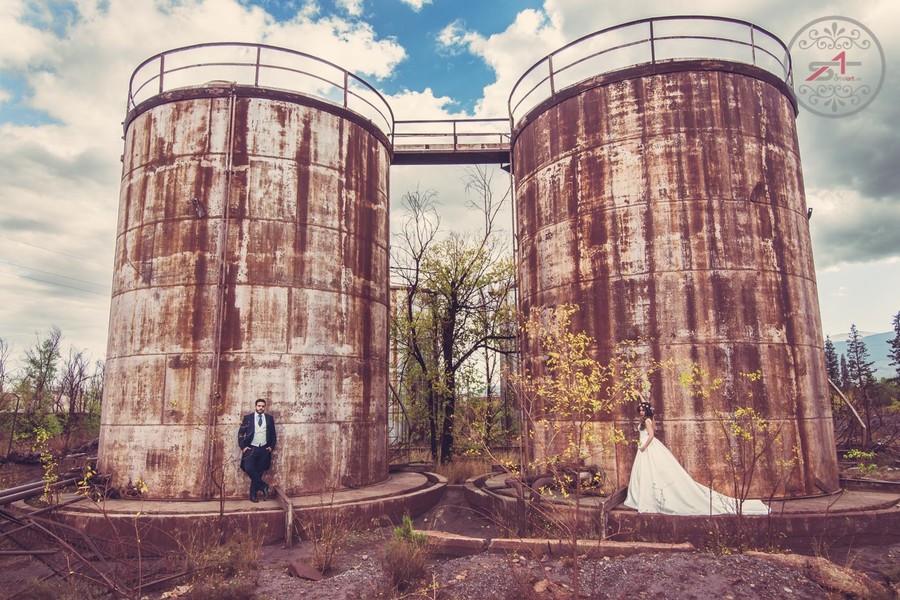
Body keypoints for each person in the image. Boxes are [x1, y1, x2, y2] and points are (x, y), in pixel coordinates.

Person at [624, 401, 769, 515]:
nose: (641, 412)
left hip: (648, 447)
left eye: (643, 410)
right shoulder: (647, 418)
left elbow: (651, 435)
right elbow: (647, 404)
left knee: (652, 471)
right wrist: (639, 395)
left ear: (647, 411)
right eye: (640, 410)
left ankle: (650, 498)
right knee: (645, 472)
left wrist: (643, 447)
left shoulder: (648, 421)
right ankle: (644, 494)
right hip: (644, 447)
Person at [238, 398, 277, 502]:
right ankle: (264, 486)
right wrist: (243, 447)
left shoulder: (269, 418)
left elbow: (273, 434)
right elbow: (241, 433)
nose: (261, 408)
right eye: (259, 406)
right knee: (249, 469)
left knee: (258, 472)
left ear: (265, 407)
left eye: (263, 406)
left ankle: (253, 496)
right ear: (256, 406)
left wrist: (271, 447)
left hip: (264, 449)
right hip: (251, 448)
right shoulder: (248, 418)